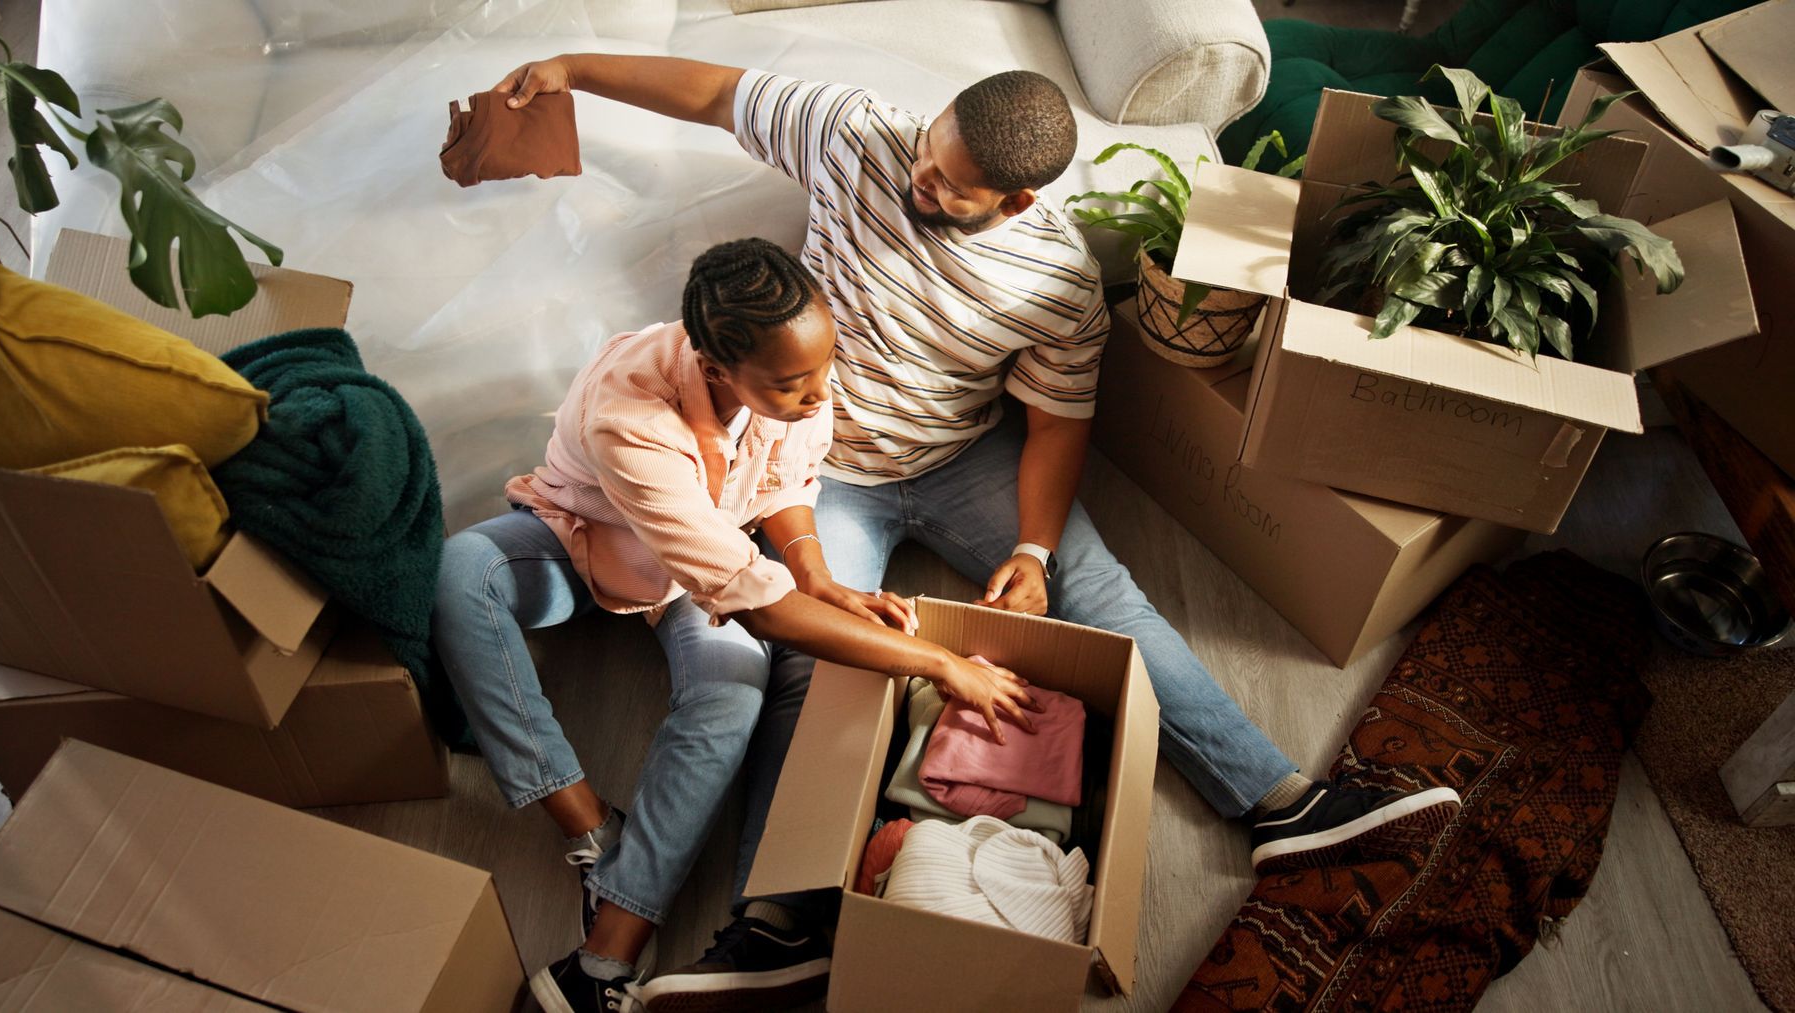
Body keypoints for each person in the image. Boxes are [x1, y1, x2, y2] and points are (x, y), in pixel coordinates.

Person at [494, 56, 1462, 1013]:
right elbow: (715, 94)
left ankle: (1280, 805)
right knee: (805, 665)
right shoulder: (856, 133)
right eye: (928, 152)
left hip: (960, 457)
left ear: (1015, 199)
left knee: (1100, 591)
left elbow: (1055, 422)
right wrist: (572, 69)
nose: (921, 178)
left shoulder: (1058, 282)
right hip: (819, 467)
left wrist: (1035, 553)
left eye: (951, 185)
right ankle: (775, 923)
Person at [432, 238, 1038, 1013]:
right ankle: (587, 825)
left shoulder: (798, 375)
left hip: (700, 561)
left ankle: (600, 960)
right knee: (460, 572)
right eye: (792, 385)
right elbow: (762, 606)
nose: (819, 394)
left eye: (823, 370)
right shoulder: (631, 411)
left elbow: (787, 484)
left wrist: (818, 574)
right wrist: (936, 662)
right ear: (717, 368)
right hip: (582, 538)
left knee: (736, 690)